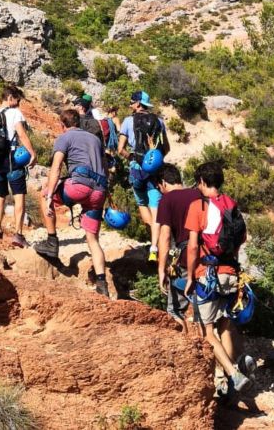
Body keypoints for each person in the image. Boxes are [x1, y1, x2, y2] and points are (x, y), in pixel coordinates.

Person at [183, 161, 253, 395]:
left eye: (198, 183)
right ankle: (223, 382)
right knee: (225, 328)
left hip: (207, 275)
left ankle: (233, 374)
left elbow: (193, 246)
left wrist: (192, 274)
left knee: (207, 331)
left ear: (202, 182)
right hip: (231, 274)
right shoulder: (231, 204)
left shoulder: (199, 206)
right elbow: (242, 239)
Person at [33, 109, 111, 297]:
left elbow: (56, 167)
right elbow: (106, 167)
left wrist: (50, 194)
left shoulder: (64, 138)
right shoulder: (95, 139)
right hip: (99, 191)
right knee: (93, 239)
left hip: (79, 186)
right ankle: (102, 284)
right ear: (80, 122)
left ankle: (52, 243)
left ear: (62, 124)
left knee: (44, 196)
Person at [116, 90, 170, 261]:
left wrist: (133, 157)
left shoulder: (127, 121)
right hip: (154, 172)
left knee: (141, 202)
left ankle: (151, 239)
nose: (130, 105)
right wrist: (152, 160)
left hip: (136, 169)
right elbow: (166, 148)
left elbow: (120, 150)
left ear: (138, 103)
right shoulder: (159, 121)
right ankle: (156, 247)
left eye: (132, 102)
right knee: (156, 210)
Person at [0, 84, 37, 248]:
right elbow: (21, 134)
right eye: (17, 100)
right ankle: (18, 235)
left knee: (0, 196)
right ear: (10, 98)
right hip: (12, 160)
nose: (18, 104)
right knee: (19, 196)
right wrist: (32, 153)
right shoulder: (14, 113)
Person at [154, 164, 204, 334]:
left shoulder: (167, 200)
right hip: (208, 258)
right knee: (204, 316)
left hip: (185, 259)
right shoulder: (199, 194)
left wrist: (161, 269)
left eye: (159, 188)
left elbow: (165, 236)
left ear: (163, 183)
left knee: (175, 310)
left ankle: (184, 353)